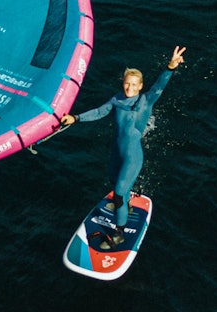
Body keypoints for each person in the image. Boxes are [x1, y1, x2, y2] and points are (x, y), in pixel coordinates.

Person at [61, 45, 187, 250]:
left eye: (134, 85)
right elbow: (98, 112)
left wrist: (170, 67)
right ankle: (124, 205)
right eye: (127, 84)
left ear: (140, 86)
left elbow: (159, 86)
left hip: (132, 155)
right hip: (116, 153)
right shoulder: (116, 99)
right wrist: (75, 118)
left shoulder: (146, 100)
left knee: (119, 192)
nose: (129, 88)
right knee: (114, 184)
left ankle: (119, 233)